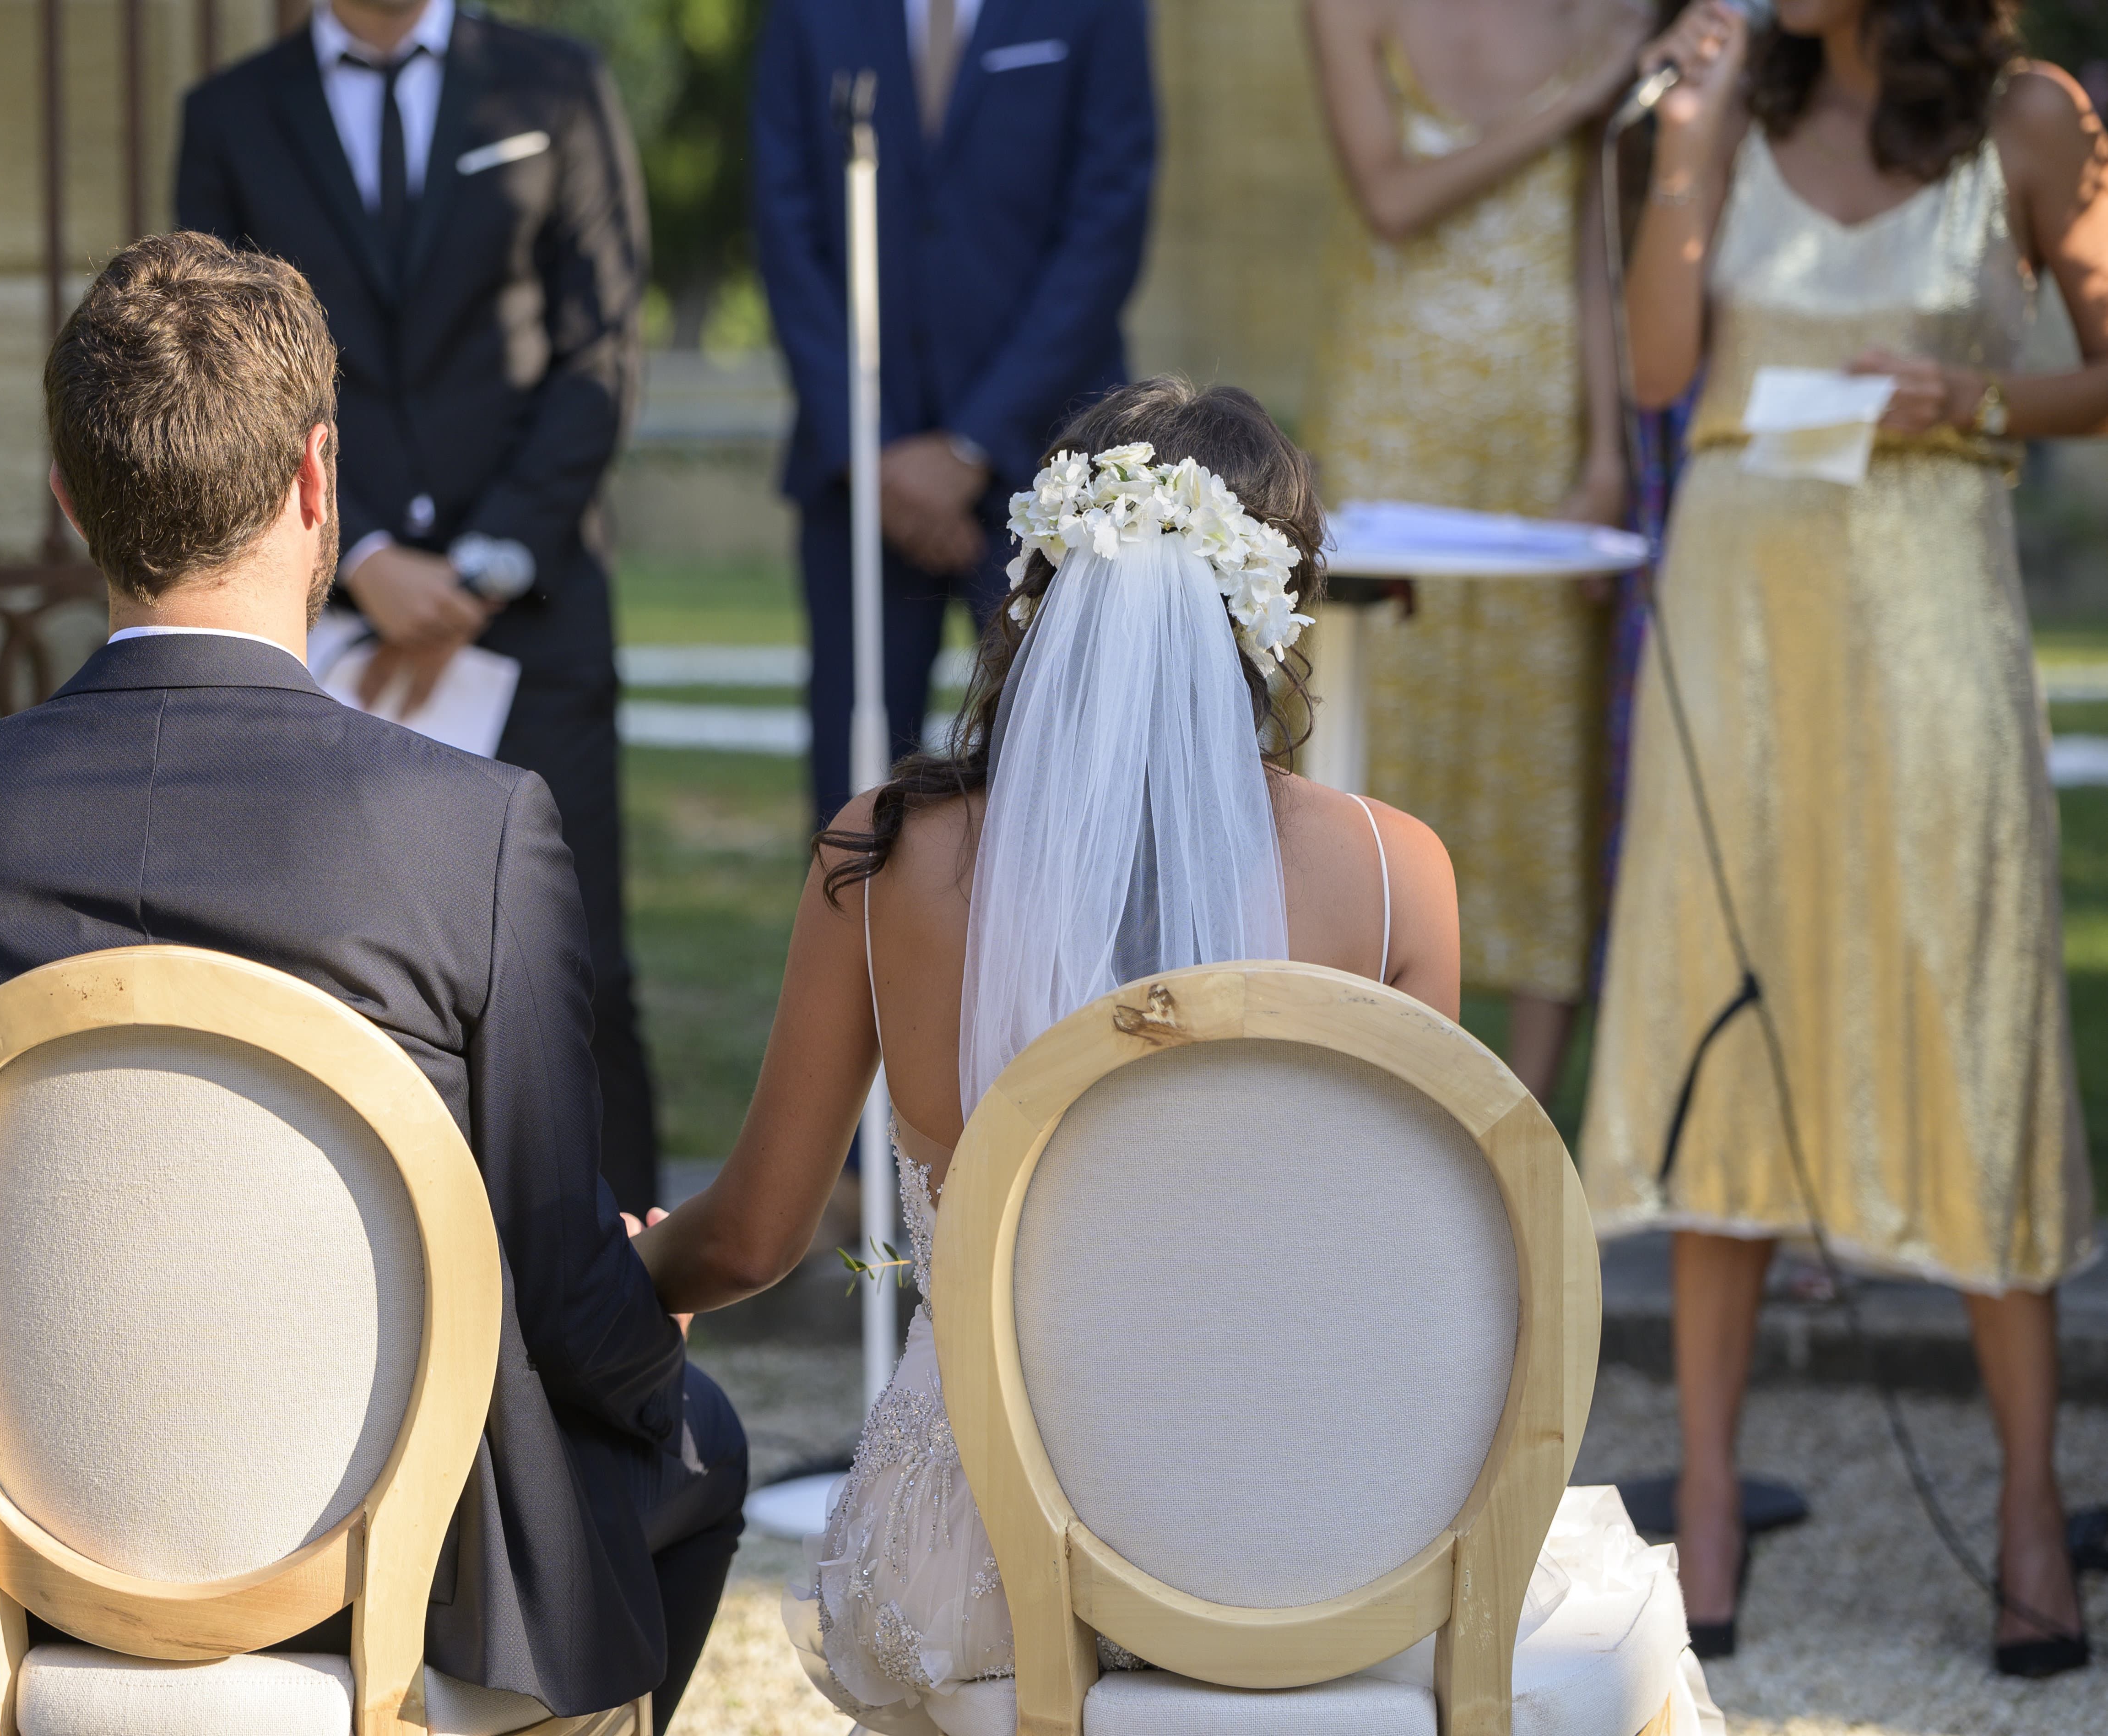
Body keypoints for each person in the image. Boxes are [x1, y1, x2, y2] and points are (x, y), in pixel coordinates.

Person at [0, 234, 745, 1730]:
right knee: (693, 1440)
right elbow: (567, 1310)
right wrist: (649, 1329)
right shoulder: (473, 830)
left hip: (16, 1571)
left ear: (68, 496)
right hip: (396, 1582)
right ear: (320, 479)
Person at [628, 381, 1469, 1729]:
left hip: (982, 1553)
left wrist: (632, 1276)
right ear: (1275, 614)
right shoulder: (1394, 875)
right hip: (1309, 1533)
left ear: (1035, 589)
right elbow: (1422, 1267)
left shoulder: (885, 858)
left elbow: (753, 1236)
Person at [1585, 0, 2108, 1674]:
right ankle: (1708, 1493)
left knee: (1976, 1021)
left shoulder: (2031, 120)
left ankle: (2028, 1506)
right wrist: (1688, 143)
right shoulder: (1726, 110)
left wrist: (1978, 394)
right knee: (1727, 1016)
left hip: (1932, 621)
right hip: (1740, 625)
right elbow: (1655, 373)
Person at [174, 0, 663, 1212]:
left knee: (576, 965)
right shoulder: (230, 116)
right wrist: (367, 552)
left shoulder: (556, 87)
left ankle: (625, 1283)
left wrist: (486, 565)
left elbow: (600, 350)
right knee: (334, 965)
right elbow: (216, 366)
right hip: (327, 612)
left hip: (535, 609)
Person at [1301, 0, 1652, 1100]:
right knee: (1374, 727)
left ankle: (1520, 1121)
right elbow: (1392, 198)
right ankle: (1348, 1082)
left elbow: (1599, 256)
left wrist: (1607, 451)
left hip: (1543, 421)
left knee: (1540, 742)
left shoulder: (1606, 14)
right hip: (1392, 410)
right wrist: (1574, 100)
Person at [750, 0, 1158, 828]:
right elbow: (784, 226)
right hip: (860, 481)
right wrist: (870, 449)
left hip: (1048, 461)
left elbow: (1107, 220)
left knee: (1062, 778)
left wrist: (972, 443)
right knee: (855, 790)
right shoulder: (805, 13)